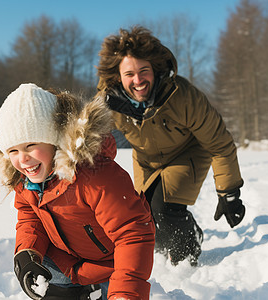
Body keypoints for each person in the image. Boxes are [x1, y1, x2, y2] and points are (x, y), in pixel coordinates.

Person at [0, 83, 155, 300]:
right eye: (13, 151)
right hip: (66, 263)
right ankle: (76, 292)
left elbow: (132, 233)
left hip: (111, 265)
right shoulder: (25, 180)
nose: (23, 159)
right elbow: (30, 219)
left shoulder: (96, 176)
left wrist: (125, 293)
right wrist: (28, 253)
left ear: (54, 139)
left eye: (31, 145)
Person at [96, 26, 245, 266]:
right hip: (146, 159)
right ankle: (188, 231)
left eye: (144, 71)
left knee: (163, 209)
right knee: (143, 214)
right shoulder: (108, 103)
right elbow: (85, 141)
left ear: (155, 69)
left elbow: (220, 144)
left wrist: (229, 192)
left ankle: (186, 261)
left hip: (187, 154)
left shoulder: (183, 96)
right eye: (129, 74)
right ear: (117, 77)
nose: (138, 80)